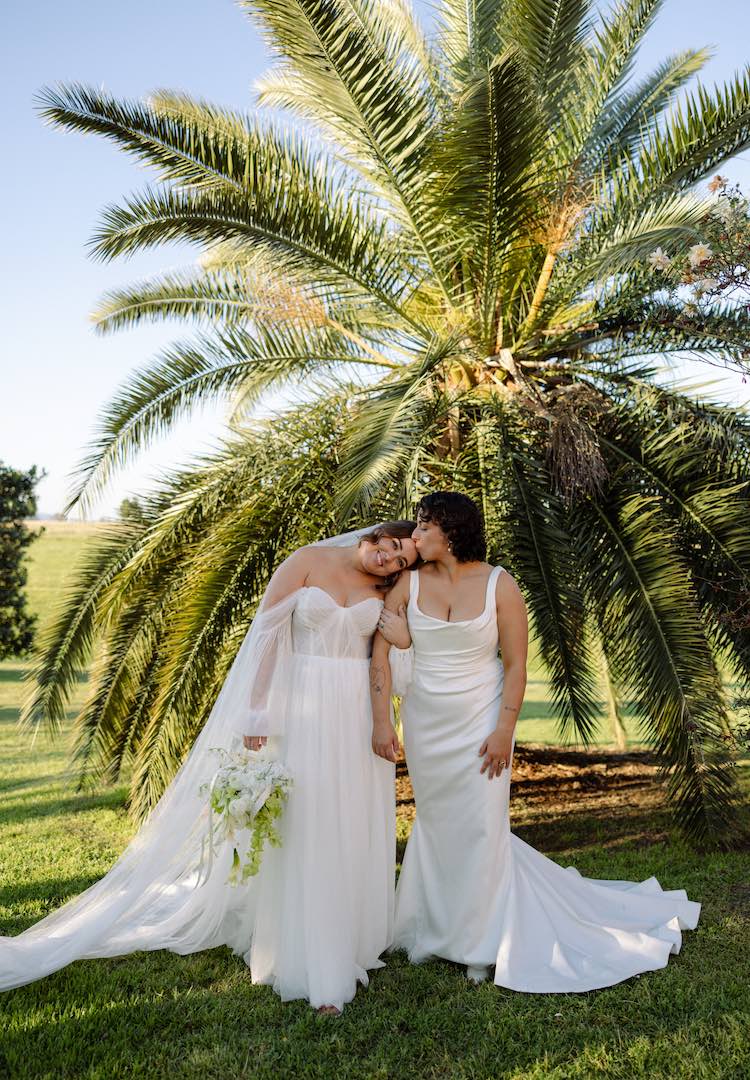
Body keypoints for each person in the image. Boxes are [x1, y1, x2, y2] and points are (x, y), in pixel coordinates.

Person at [0, 523, 418, 1015]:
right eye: (389, 547)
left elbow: (391, 665)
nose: (389, 560)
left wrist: (402, 641)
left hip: (354, 716)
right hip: (301, 707)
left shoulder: (387, 592)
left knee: (347, 820)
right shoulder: (305, 560)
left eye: (402, 561)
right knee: (308, 820)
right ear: (373, 536)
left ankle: (353, 932)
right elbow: (266, 635)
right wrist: (257, 709)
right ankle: (304, 946)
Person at [371, 492, 700, 992]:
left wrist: (505, 728)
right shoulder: (407, 584)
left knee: (483, 825)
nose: (413, 537)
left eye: (423, 527)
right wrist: (387, 705)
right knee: (438, 824)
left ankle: (479, 943)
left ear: (452, 531)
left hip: (482, 720)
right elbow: (381, 652)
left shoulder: (501, 584)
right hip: (426, 722)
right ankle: (433, 929)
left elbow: (517, 666)